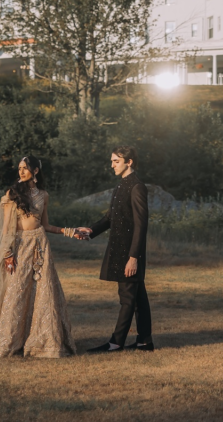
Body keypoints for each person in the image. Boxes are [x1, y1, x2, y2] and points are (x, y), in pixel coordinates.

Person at [0, 155, 78, 358]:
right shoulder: (12, 194)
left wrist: (70, 231)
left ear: (36, 171)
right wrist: (8, 254)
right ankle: (9, 341)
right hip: (19, 246)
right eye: (19, 168)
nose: (21, 171)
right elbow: (5, 230)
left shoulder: (43, 196)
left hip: (39, 245)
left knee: (43, 292)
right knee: (16, 291)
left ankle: (43, 342)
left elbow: (45, 226)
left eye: (25, 168)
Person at [75, 146, 153, 352]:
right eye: (111, 161)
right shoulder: (120, 186)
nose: (112, 165)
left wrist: (134, 257)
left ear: (129, 162)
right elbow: (110, 218)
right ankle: (145, 341)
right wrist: (90, 231)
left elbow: (141, 224)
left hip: (129, 252)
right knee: (138, 298)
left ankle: (115, 342)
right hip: (118, 249)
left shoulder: (137, 187)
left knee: (127, 298)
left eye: (116, 161)